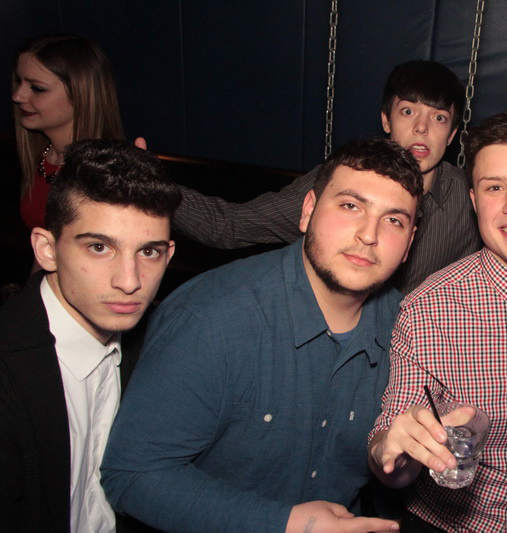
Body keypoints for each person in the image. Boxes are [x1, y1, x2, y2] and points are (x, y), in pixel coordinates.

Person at [101, 138, 423, 533]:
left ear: (408, 244)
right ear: (307, 211)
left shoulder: (409, 327)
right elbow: (132, 475)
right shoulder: (211, 317)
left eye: (393, 220)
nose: (368, 234)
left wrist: (401, 465)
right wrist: (286, 524)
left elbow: (390, 472)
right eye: (350, 206)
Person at [368, 109, 507, 532]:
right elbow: (392, 453)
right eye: (495, 187)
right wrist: (393, 454)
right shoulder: (429, 309)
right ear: (475, 201)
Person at [173, 60, 482, 293]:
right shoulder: (341, 182)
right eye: (408, 112)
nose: (422, 128)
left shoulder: (469, 199)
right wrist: (151, 185)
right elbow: (229, 225)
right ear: (386, 120)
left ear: (452, 134)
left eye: (438, 118)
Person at [0, 139, 181, 532]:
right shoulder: (9, 374)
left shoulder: (158, 348)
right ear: (47, 250)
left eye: (148, 252)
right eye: (99, 247)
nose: (129, 282)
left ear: (168, 255)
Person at [12, 34, 125, 232]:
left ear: (81, 94)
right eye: (18, 81)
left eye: (37, 88)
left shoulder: (108, 171)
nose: (18, 96)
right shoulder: (40, 156)